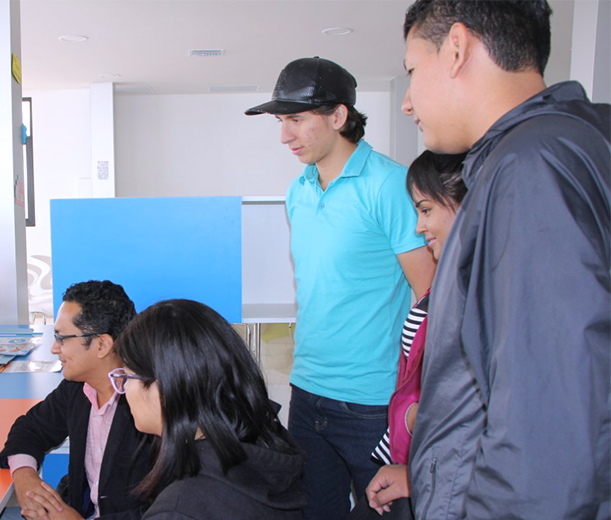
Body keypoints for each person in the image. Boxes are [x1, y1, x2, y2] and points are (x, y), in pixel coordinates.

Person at [400, 1, 610, 518]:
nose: (407, 102)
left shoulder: (528, 167)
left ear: (456, 48)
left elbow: (547, 436)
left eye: (411, 70)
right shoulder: (579, 139)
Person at [246, 56, 436, 519]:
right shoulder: (299, 190)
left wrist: (420, 401)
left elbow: (432, 299)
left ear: (338, 115)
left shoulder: (391, 185)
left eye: (296, 119)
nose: (284, 136)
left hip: (372, 401)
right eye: (280, 121)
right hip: (307, 390)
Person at [345, 151, 467, 520]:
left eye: (426, 210)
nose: (419, 226)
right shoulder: (449, 286)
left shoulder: (481, 298)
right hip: (419, 463)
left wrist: (415, 418)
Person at [111, 298, 305, 519]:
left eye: (126, 376)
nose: (124, 388)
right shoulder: (264, 454)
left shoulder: (180, 508)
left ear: (165, 387)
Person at [0, 280, 153, 520]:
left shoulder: (150, 409)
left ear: (102, 345)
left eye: (62, 338)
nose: (53, 348)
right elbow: (31, 428)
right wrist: (24, 475)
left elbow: (172, 508)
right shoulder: (78, 387)